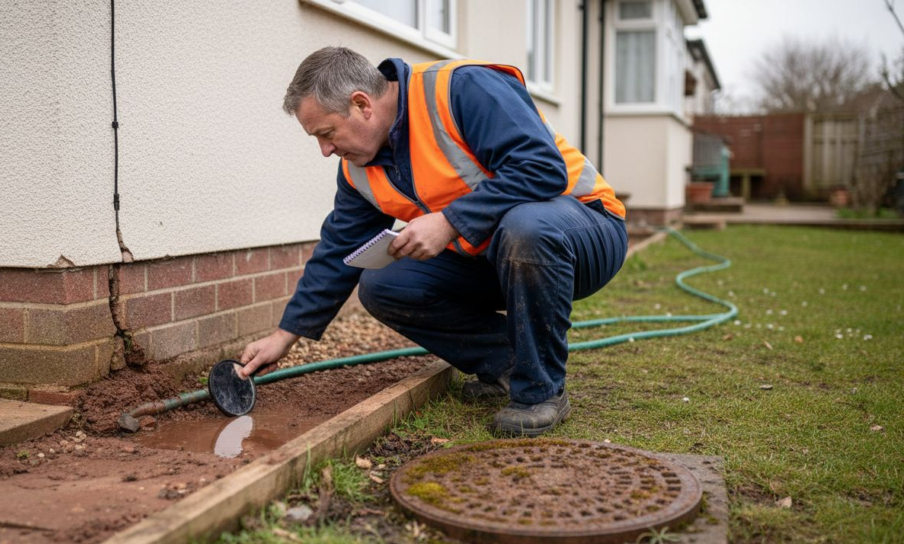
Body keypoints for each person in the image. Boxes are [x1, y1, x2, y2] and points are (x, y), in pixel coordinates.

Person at [238, 47, 627, 437]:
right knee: (383, 284)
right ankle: (511, 364)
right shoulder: (359, 169)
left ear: (361, 104)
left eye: (326, 133)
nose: (325, 150)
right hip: (498, 258)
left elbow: (542, 168)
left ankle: (541, 392)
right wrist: (285, 335)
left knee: (526, 227)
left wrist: (449, 222)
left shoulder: (460, 90)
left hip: (584, 231)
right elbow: (340, 249)